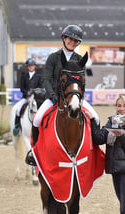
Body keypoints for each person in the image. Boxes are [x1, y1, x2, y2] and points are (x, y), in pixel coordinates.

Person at [25, 24, 100, 166]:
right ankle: (34, 152)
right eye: (70, 39)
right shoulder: (53, 58)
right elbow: (46, 79)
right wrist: (52, 94)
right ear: (64, 38)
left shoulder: (80, 59)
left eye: (75, 40)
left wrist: (79, 96)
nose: (72, 42)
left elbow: (82, 81)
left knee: (95, 117)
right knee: (37, 118)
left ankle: (93, 149)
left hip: (75, 97)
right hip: (55, 97)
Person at [12, 58, 42, 136]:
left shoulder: (38, 77)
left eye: (32, 66)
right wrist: (27, 94)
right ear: (27, 67)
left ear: (34, 66)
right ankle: (17, 126)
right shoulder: (24, 76)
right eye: (29, 66)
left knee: (41, 110)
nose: (30, 67)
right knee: (18, 109)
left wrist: (34, 93)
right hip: (26, 97)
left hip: (36, 98)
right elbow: (22, 88)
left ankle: (43, 126)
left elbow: (40, 87)